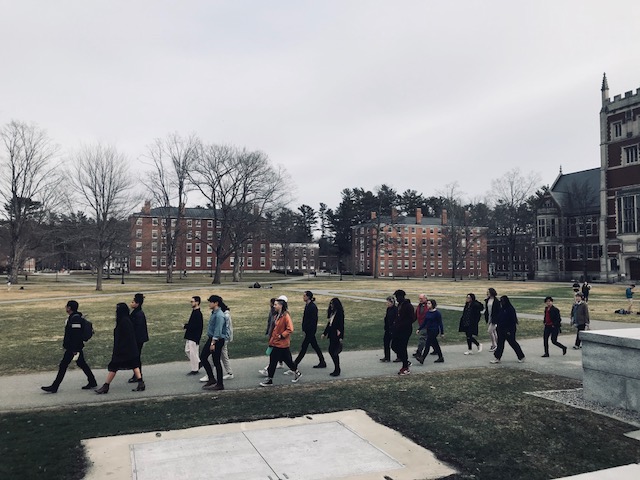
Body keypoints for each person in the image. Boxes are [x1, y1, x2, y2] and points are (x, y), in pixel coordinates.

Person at [41, 300, 97, 393]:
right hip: (74, 347)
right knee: (81, 363)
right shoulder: (74, 317)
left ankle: (55, 386)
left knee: (63, 365)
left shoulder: (75, 319)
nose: (65, 308)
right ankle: (92, 381)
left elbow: (76, 334)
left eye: (66, 306)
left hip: (73, 348)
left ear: (69, 308)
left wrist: (74, 349)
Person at [95, 303, 145, 394]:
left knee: (114, 367)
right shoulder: (126, 320)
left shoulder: (124, 322)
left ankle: (106, 386)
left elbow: (123, 337)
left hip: (123, 350)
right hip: (130, 349)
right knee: (134, 365)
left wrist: (118, 349)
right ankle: (141, 383)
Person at [260, 295, 302, 386]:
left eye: (275, 305)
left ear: (281, 305)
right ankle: (297, 373)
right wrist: (271, 341)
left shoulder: (286, 316)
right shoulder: (277, 316)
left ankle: (269, 379)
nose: (274, 306)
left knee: (273, 361)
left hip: (281, 343)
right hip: (277, 343)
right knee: (288, 361)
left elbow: (290, 329)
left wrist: (281, 336)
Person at [291, 291, 326, 371]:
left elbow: (313, 321)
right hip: (308, 331)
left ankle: (295, 363)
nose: (303, 297)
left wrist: (309, 330)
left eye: (304, 296)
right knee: (315, 346)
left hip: (310, 331)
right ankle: (322, 361)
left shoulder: (312, 307)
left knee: (304, 347)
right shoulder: (308, 305)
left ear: (308, 297)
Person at [201, 295, 228, 391]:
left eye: (210, 302)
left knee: (216, 362)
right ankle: (212, 378)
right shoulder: (214, 313)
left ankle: (220, 384)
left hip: (217, 340)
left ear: (216, 303)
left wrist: (213, 343)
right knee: (203, 357)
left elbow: (218, 330)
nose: (209, 304)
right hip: (212, 339)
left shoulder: (219, 315)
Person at [490, 296, 525, 364]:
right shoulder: (501, 309)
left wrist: (509, 331)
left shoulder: (510, 309)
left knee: (513, 343)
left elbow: (513, 321)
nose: (502, 303)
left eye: (503, 301)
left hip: (509, 330)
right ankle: (497, 357)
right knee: (500, 344)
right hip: (501, 329)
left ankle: (521, 356)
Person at [391, 290, 414, 375]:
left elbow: (411, 319)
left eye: (397, 297)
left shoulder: (408, 306)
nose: (396, 299)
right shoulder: (399, 305)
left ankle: (405, 367)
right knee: (394, 346)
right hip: (398, 329)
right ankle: (405, 360)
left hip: (405, 330)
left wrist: (401, 324)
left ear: (401, 296)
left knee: (402, 347)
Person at [128, 293, 149, 384]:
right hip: (138, 339)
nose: (131, 303)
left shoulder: (138, 314)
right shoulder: (136, 312)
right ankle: (137, 374)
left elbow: (137, 328)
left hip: (138, 340)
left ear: (137, 304)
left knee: (136, 357)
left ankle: (138, 375)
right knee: (135, 357)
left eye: (133, 302)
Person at [416, 299, 444, 364]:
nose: (427, 305)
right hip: (428, 330)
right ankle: (441, 357)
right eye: (427, 303)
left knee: (427, 344)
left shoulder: (437, 313)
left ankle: (422, 358)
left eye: (429, 304)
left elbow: (440, 323)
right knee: (435, 344)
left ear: (433, 305)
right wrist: (419, 329)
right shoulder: (428, 312)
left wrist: (442, 332)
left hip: (434, 330)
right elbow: (425, 322)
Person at [322, 297, 345, 377]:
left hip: (336, 335)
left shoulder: (339, 313)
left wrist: (341, 335)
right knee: (332, 351)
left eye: (332, 304)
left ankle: (337, 369)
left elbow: (341, 325)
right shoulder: (332, 313)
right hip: (332, 334)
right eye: (330, 304)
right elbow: (329, 324)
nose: (331, 305)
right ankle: (337, 368)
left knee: (333, 351)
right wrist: (324, 333)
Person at [183, 296, 203, 375]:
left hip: (194, 336)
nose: (191, 303)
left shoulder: (198, 313)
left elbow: (196, 326)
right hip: (191, 335)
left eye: (192, 301)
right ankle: (198, 363)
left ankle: (195, 369)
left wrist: (186, 326)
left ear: (197, 302)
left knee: (193, 352)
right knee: (188, 350)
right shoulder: (194, 311)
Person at [219, 300, 234, 380]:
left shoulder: (225, 315)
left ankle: (230, 372)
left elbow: (226, 328)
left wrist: (225, 337)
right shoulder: (225, 314)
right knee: (224, 355)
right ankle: (229, 372)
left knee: (222, 355)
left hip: (224, 338)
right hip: (224, 337)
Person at [380, 296, 397, 362]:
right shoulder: (388, 309)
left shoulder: (396, 309)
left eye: (388, 302)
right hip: (387, 329)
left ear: (392, 302)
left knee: (395, 344)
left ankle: (400, 356)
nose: (387, 304)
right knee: (386, 343)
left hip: (393, 329)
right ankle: (387, 357)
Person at [413, 294, 429, 358]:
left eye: (421, 298)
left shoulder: (428, 305)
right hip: (421, 324)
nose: (420, 300)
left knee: (422, 338)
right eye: (419, 298)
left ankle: (419, 352)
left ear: (425, 298)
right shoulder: (419, 306)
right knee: (431, 339)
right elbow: (416, 315)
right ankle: (436, 350)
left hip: (426, 325)